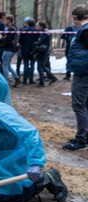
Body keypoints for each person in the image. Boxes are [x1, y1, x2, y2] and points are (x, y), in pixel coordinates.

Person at [62, 4, 88, 151]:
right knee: (85, 105)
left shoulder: (85, 31)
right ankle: (85, 136)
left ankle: (81, 141)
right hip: (84, 71)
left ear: (76, 17)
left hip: (83, 73)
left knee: (79, 105)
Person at [33, 21, 58, 87]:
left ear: (41, 26)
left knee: (40, 67)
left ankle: (42, 82)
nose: (36, 27)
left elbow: (40, 42)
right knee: (42, 66)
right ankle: (52, 77)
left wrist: (35, 43)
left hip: (43, 52)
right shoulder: (44, 32)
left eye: (37, 26)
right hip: (43, 51)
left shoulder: (44, 33)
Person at [0, 15, 20, 87]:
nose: (4, 22)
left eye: (5, 20)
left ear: (9, 21)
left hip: (8, 49)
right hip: (11, 49)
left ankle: (6, 82)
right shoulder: (14, 28)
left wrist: (1, 38)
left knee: (4, 66)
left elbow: (7, 40)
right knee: (7, 65)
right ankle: (17, 78)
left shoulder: (11, 29)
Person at [19, 17, 38, 85]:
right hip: (34, 50)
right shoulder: (37, 31)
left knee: (26, 64)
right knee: (32, 65)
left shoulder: (23, 30)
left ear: (27, 23)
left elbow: (20, 40)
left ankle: (24, 80)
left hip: (25, 49)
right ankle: (31, 80)